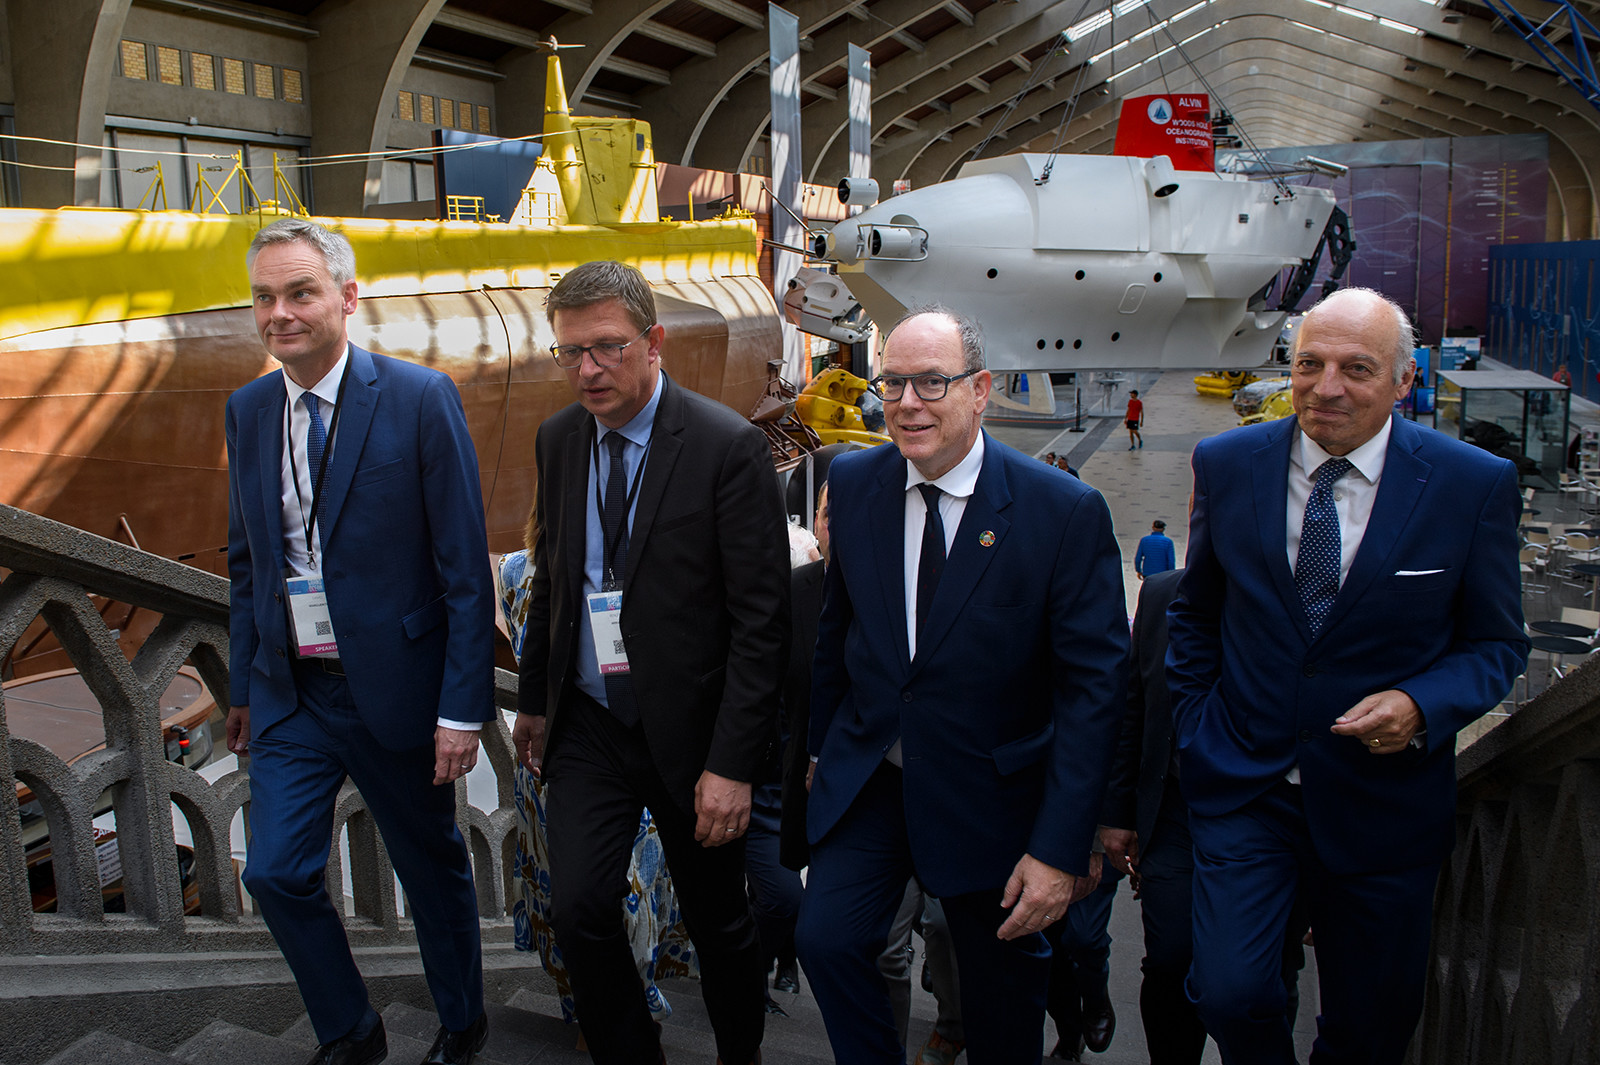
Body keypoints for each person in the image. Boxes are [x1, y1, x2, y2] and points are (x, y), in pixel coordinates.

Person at [1167, 287, 1529, 1064]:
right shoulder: (1228, 463)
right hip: (1246, 785)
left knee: (1372, 1026)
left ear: (1404, 381)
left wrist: (1421, 702)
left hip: (1383, 805)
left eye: (1356, 368)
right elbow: (1195, 612)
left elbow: (1497, 644)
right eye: (1309, 364)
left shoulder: (1471, 485)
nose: (1326, 386)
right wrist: (1197, 722)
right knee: (1229, 992)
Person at [796, 305, 1128, 1064]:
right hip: (877, 776)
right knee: (826, 937)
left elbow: (1093, 691)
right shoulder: (854, 481)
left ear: (980, 390)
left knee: (1003, 987)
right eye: (894, 382)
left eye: (931, 382)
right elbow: (835, 633)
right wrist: (820, 747)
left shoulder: (1061, 511)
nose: (906, 402)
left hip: (996, 793)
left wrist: (1061, 844)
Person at [225, 218, 493, 1065]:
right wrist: (241, 685)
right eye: (265, 297)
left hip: (399, 685)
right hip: (293, 690)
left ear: (346, 296)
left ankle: (463, 1016)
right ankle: (352, 1026)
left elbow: (462, 567)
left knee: (430, 863)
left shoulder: (419, 397)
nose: (280, 313)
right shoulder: (248, 410)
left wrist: (462, 707)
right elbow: (246, 560)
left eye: (299, 292)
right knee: (273, 871)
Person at [511, 260, 788, 1065]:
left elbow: (760, 623)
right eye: (570, 353)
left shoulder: (727, 447)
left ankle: (742, 1053)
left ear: (654, 341)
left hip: (694, 735)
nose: (588, 370)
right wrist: (534, 699)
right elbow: (555, 577)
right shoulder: (558, 438)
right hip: (592, 722)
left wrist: (732, 765)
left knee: (718, 922)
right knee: (581, 907)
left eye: (606, 348)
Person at [493, 540, 697, 1034]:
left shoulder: (638, 557)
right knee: (568, 897)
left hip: (631, 748)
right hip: (556, 761)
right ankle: (586, 1010)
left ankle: (633, 1005)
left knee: (631, 894)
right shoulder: (515, 569)